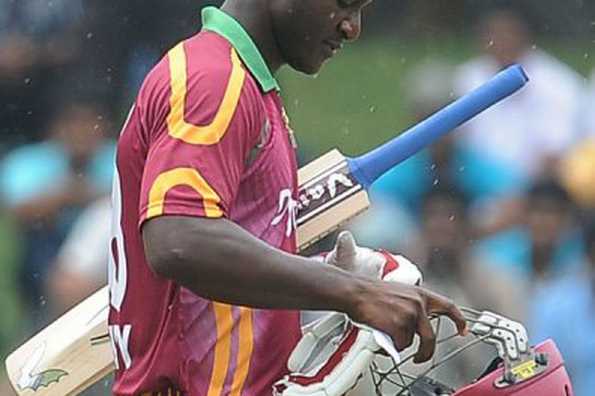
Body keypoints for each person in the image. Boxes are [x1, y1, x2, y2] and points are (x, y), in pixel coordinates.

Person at [107, 1, 468, 395]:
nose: (353, 28)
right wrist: (353, 293)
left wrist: (328, 274)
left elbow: (213, 273)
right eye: (344, 3)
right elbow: (178, 240)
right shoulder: (213, 81)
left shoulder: (240, 83)